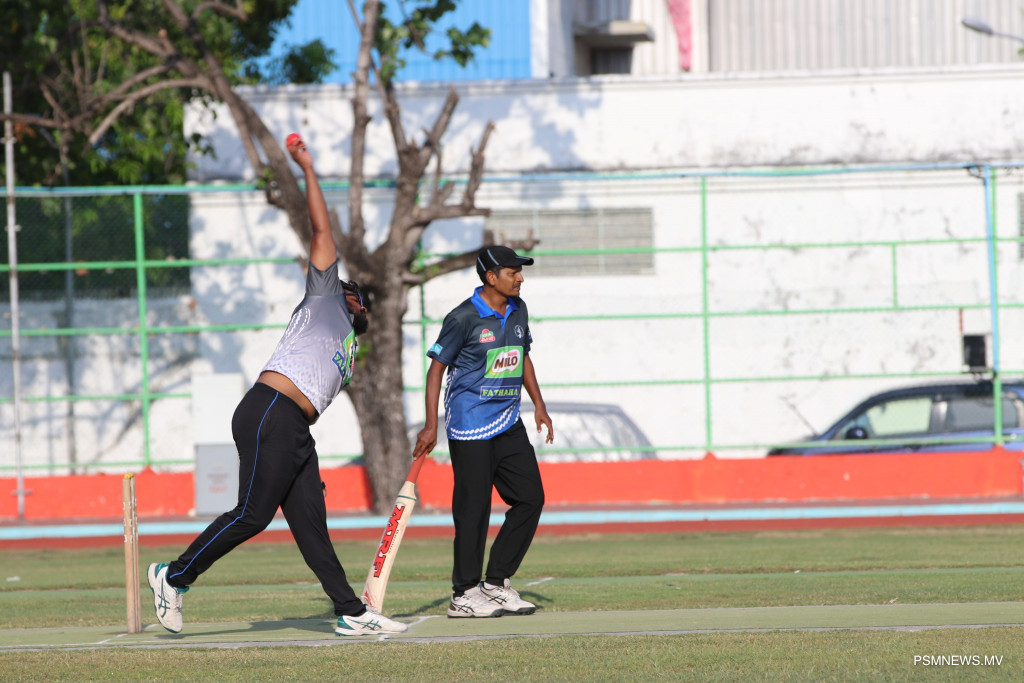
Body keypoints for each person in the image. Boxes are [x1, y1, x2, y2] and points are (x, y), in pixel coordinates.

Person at [146, 135, 407, 637]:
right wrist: (306, 167)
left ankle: (350, 613)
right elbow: (321, 229)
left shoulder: (350, 349)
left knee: (311, 525)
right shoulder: (324, 296)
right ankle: (173, 577)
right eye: (353, 291)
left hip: (294, 428)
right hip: (270, 409)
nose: (356, 296)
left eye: (360, 297)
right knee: (253, 514)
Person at [413, 245, 554, 618]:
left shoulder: (518, 309)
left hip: (508, 420)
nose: (520, 278)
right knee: (473, 511)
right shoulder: (462, 317)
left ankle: (494, 583)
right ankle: (463, 594)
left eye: (520, 272)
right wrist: (431, 425)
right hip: (470, 424)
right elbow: (435, 370)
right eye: (512, 272)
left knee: (530, 498)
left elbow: (522, 356)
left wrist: (539, 405)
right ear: (491, 277)